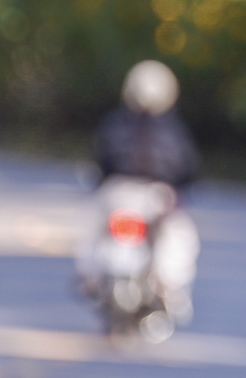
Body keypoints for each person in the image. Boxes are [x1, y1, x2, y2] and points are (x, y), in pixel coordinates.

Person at [82, 61, 201, 323]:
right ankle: (168, 286)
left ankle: (90, 276)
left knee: (93, 225)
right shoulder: (174, 129)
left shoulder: (114, 123)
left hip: (117, 191)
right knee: (180, 236)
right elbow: (187, 169)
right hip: (157, 196)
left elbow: (100, 162)